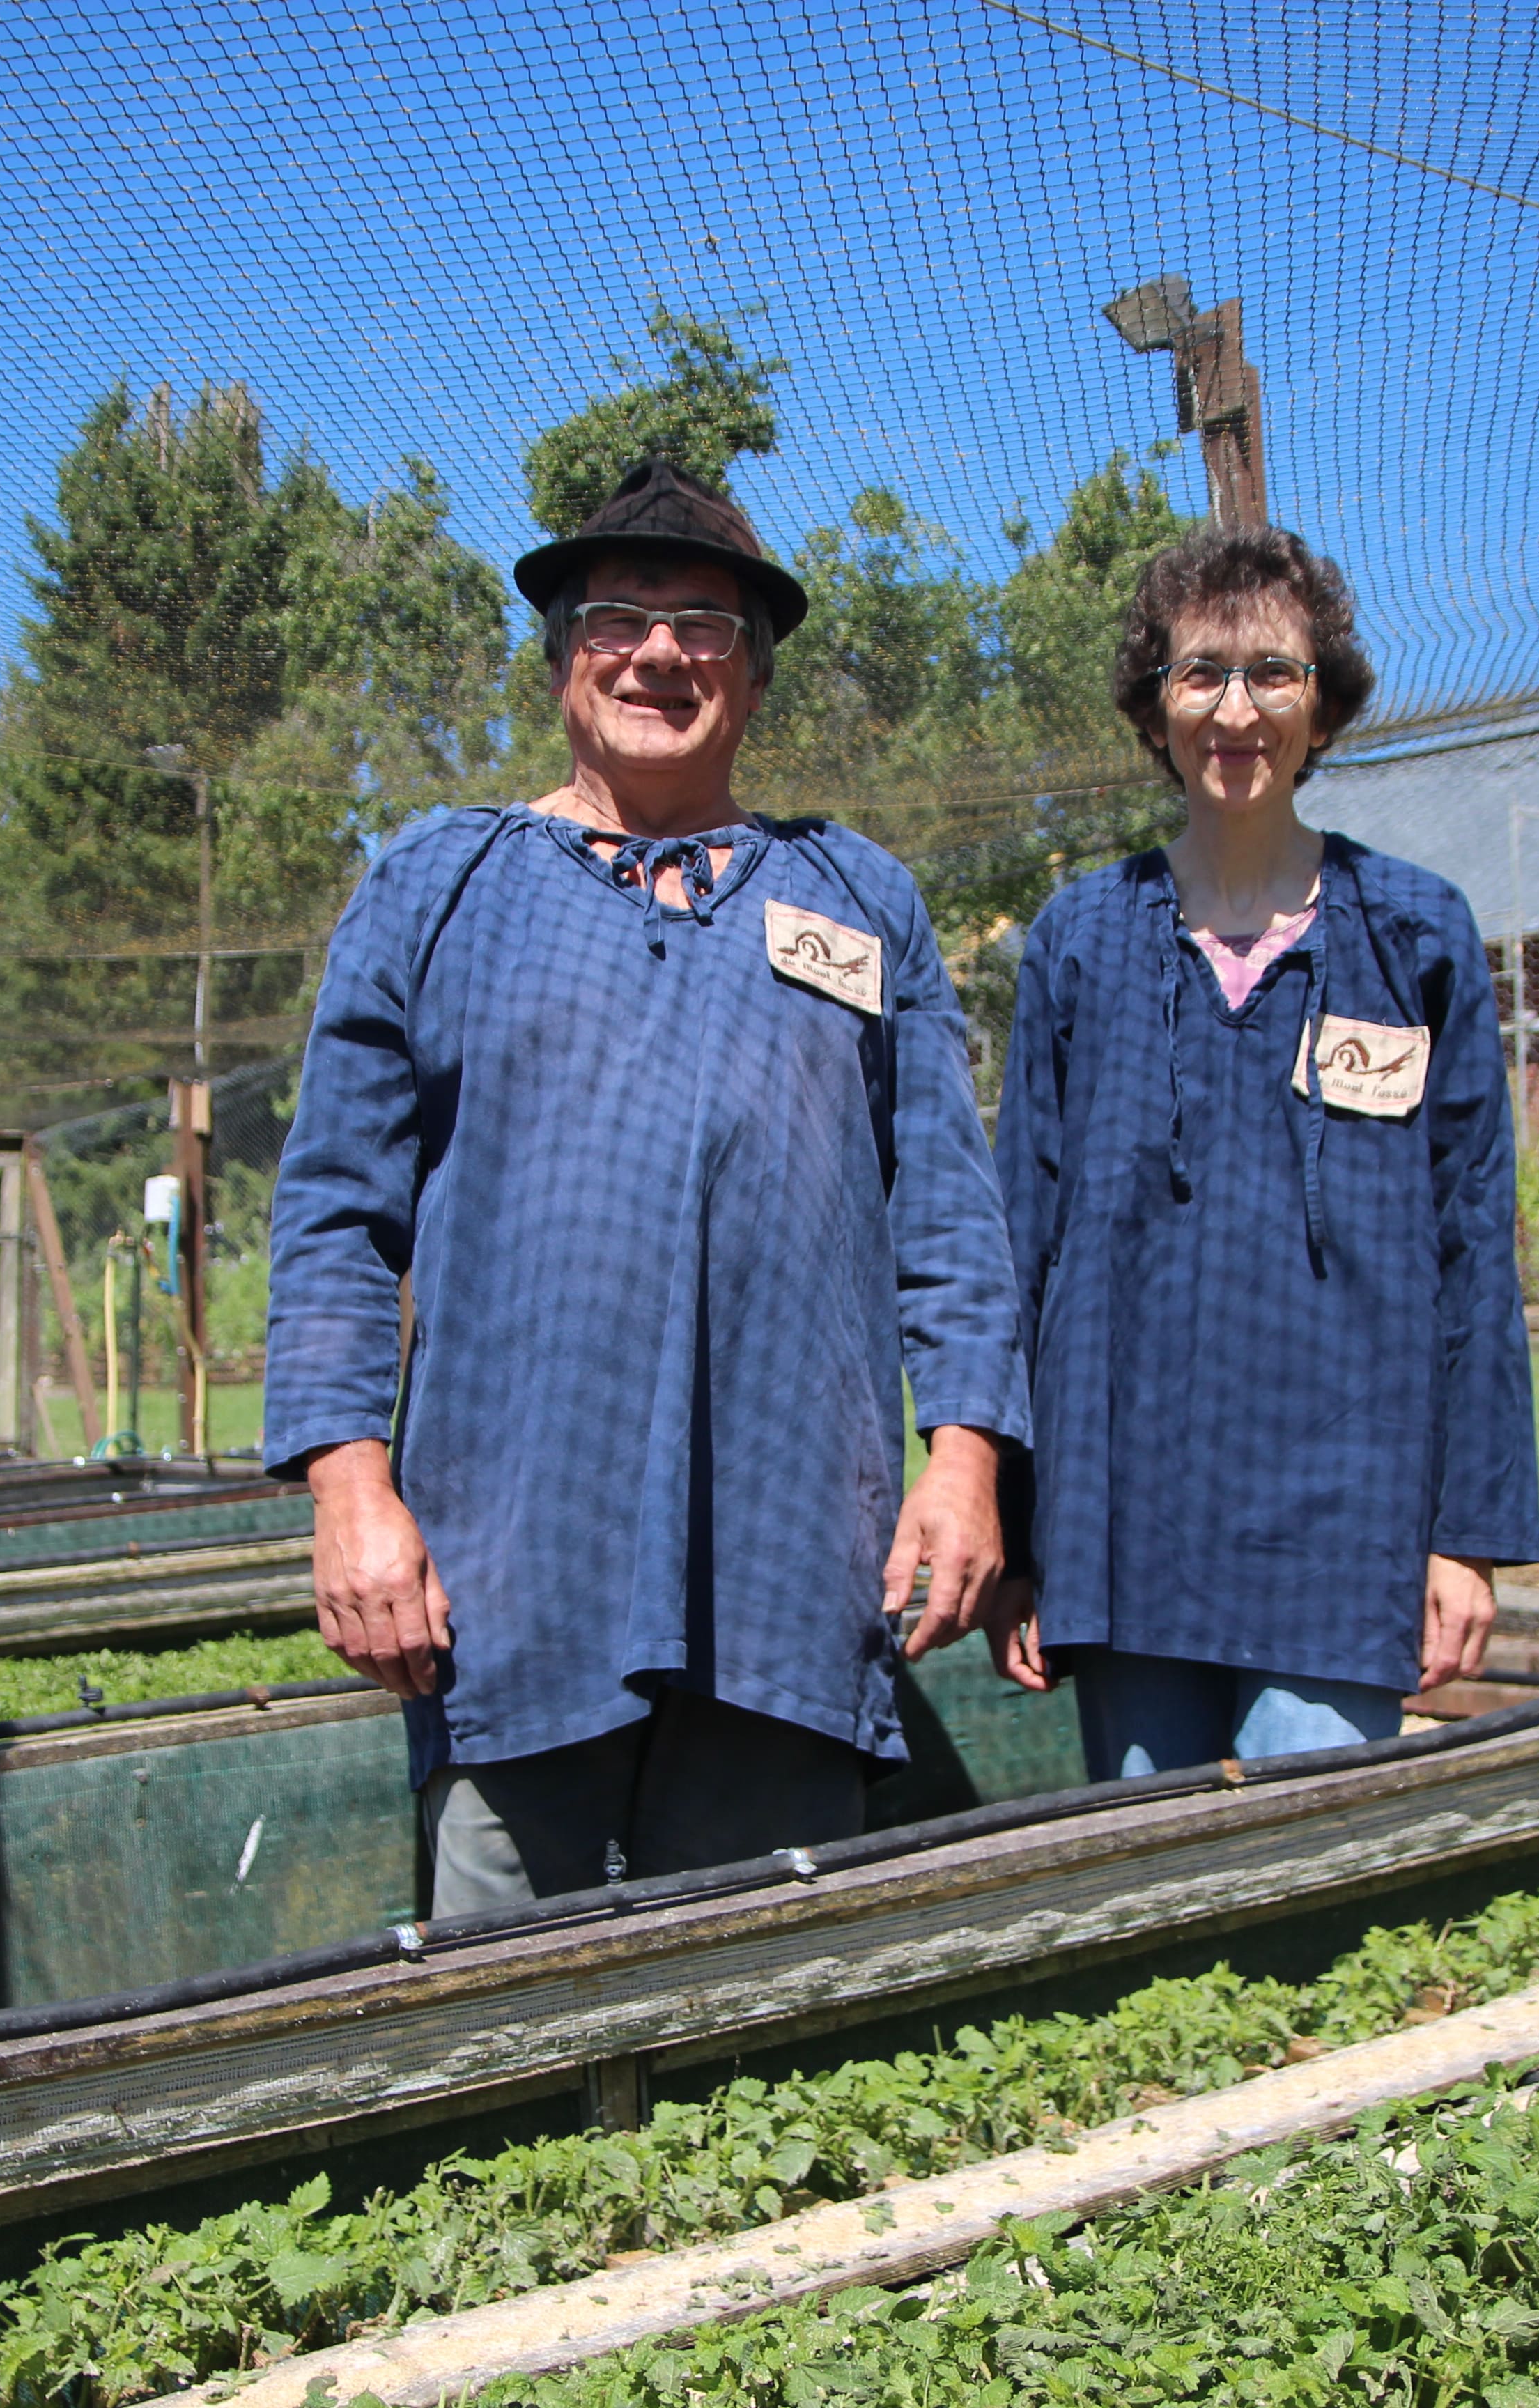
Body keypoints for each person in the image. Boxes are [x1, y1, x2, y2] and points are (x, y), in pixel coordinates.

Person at [260, 458, 1025, 1915]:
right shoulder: (438, 885)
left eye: (708, 627)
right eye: (619, 616)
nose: (661, 653)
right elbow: (335, 1213)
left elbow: (947, 1208)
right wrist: (350, 1488)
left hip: (792, 1550)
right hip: (511, 1557)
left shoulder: (856, 898)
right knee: (506, 2009)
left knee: (756, 2004)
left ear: (756, 675)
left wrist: (967, 1461)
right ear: (560, 657)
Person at [987, 523, 1539, 1777]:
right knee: (1158, 1900)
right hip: (1126, 1518)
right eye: (1201, 674)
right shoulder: (1080, 942)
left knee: (1315, 1898)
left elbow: (1473, 1249)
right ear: (1157, 706)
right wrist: (1020, 1539)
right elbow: (1025, 1245)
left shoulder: (1416, 937)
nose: (1236, 709)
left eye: (1273, 673)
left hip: (1349, 1522)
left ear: (1323, 706)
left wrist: (1467, 1538)